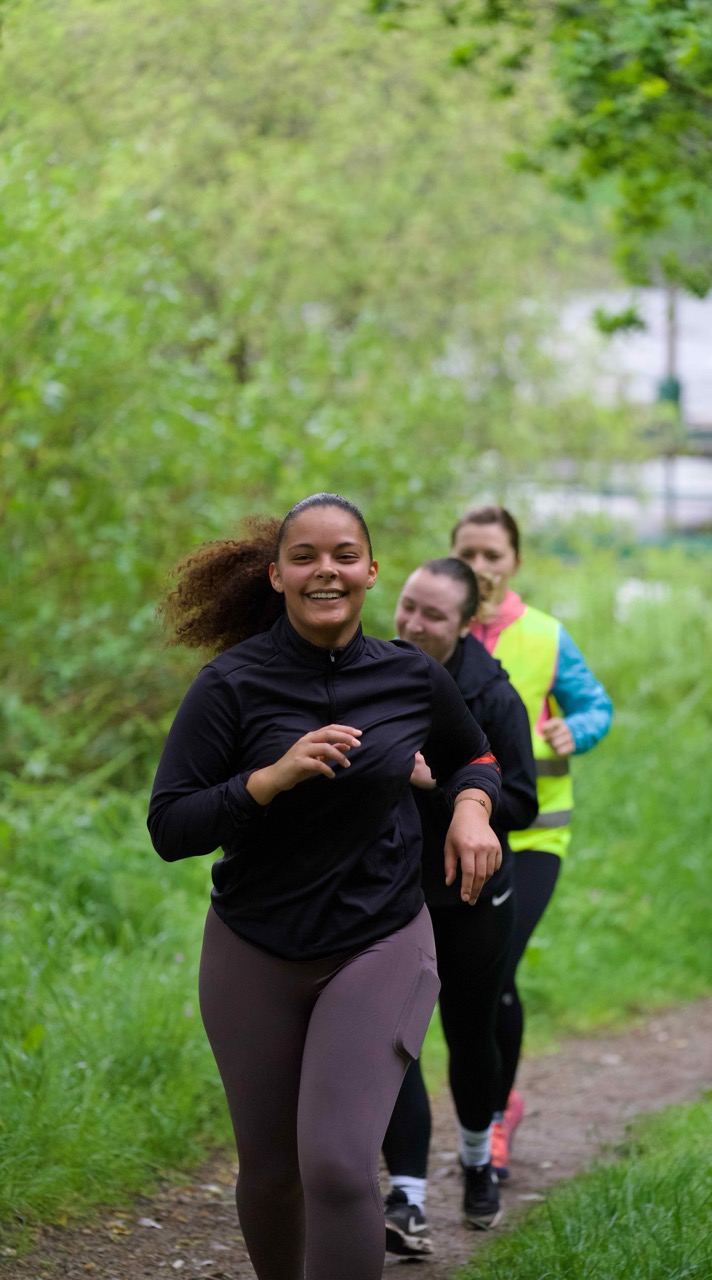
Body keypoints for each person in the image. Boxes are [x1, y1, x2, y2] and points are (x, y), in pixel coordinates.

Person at [147, 494, 503, 1280]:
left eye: (344, 555)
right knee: (272, 1170)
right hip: (254, 945)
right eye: (303, 556)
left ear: (371, 571)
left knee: (339, 1166)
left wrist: (470, 811)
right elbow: (170, 826)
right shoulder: (230, 685)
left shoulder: (411, 676)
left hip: (380, 938)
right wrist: (269, 779)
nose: (325, 571)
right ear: (276, 575)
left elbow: (473, 756)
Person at [450, 505, 613, 1180]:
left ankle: (493, 1117)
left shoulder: (546, 635)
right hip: (458, 836)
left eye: (493, 555)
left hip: (535, 833)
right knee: (462, 980)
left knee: (497, 973)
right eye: (468, 553)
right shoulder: (435, 627)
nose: (480, 567)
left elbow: (595, 704)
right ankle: (483, 1105)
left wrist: (579, 729)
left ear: (514, 561)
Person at [381, 558, 538, 1252]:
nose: (413, 623)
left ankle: (477, 1162)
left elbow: (523, 803)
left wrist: (442, 785)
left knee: (471, 1035)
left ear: (467, 623)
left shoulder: (493, 697)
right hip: (392, 893)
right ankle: (406, 1197)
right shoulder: (375, 673)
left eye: (433, 614)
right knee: (393, 1042)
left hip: (473, 899)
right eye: (407, 606)